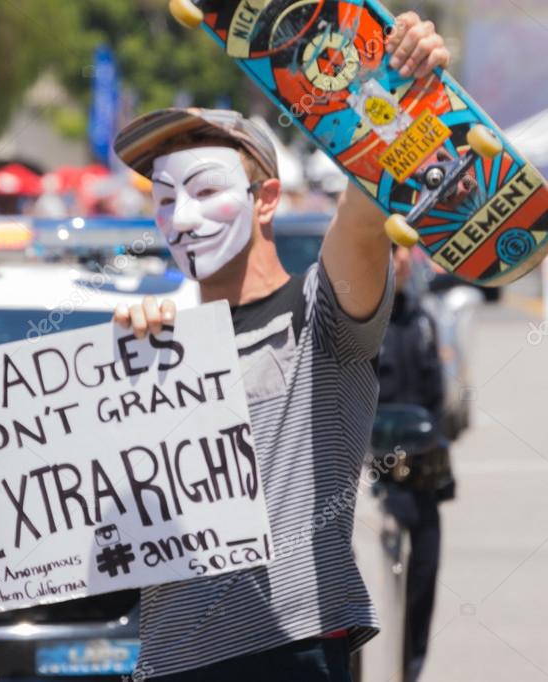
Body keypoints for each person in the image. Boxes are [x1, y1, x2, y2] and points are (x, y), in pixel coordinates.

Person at [109, 13, 450, 682]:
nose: (181, 217)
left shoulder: (317, 318)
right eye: (164, 197)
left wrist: (400, 95)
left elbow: (360, 217)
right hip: (167, 661)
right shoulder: (154, 342)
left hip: (289, 654)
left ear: (264, 199)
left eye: (206, 190)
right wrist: (122, 376)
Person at [377, 244, 454, 682]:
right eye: (390, 248)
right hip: (371, 478)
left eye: (405, 250)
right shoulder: (355, 322)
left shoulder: (422, 317)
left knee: (422, 581)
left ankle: (408, 671)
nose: (400, 259)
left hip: (421, 476)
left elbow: (438, 400)